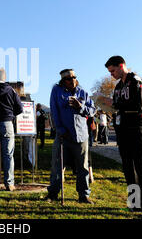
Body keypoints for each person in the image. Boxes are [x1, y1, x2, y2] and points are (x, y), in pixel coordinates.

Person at [103, 55, 142, 219]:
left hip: (135, 127)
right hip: (122, 128)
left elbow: (138, 104)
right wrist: (108, 104)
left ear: (121, 66)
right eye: (109, 72)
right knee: (128, 167)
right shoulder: (118, 86)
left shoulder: (135, 80)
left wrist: (114, 103)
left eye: (113, 70)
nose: (111, 74)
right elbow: (117, 106)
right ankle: (135, 204)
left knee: (141, 166)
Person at [47, 69, 96, 204]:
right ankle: (53, 193)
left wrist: (81, 107)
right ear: (63, 81)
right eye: (69, 78)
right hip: (63, 135)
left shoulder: (83, 92)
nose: (73, 80)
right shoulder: (57, 91)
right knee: (57, 166)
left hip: (81, 136)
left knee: (83, 167)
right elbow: (54, 112)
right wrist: (61, 130)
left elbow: (93, 110)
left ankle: (83, 195)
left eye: (74, 77)